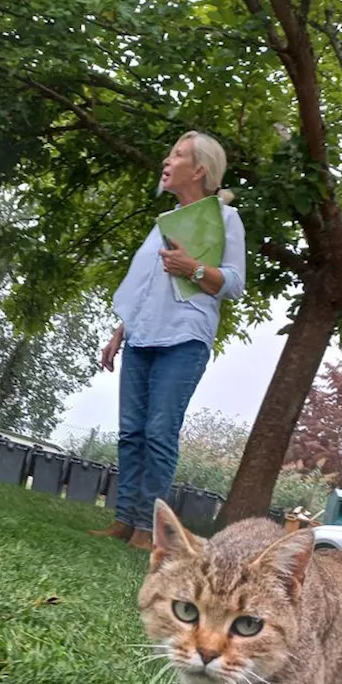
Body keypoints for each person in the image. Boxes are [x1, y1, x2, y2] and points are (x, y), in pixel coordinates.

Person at [88, 131, 245, 549]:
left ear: (199, 170)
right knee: (130, 434)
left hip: (184, 339)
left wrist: (192, 268)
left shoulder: (226, 219)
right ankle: (123, 520)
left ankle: (148, 530)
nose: (167, 160)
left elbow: (233, 282)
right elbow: (144, 289)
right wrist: (120, 333)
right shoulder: (164, 224)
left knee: (159, 433)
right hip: (141, 338)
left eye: (177, 154)